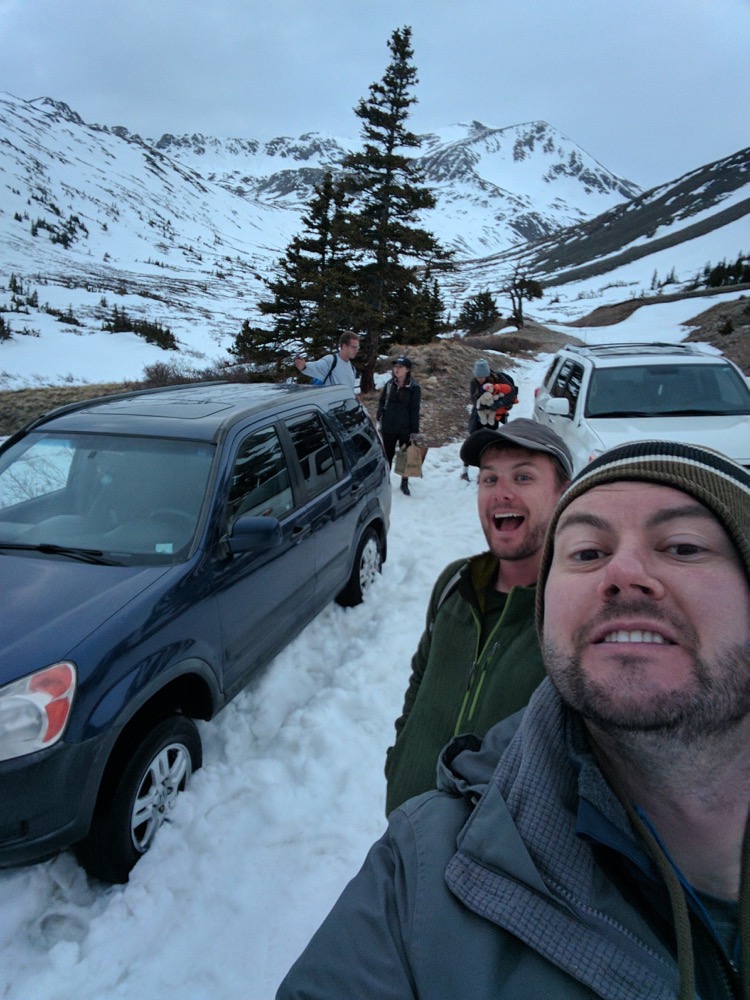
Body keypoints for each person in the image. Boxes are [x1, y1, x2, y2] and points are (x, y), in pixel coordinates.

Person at [276, 440, 750, 999]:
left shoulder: (556, 637)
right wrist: (400, 758)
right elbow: (420, 679)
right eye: (588, 553)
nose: (622, 572)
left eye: (684, 546)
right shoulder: (416, 872)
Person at [384, 418, 572, 814]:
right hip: (405, 828)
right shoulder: (455, 583)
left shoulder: (575, 617)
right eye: (489, 480)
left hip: (492, 860)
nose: (500, 493)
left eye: (522, 477)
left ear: (563, 496)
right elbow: (420, 681)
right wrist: (400, 759)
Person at [461, 358, 518, 481]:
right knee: (473, 441)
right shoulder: (473, 383)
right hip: (478, 415)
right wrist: (485, 404)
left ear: (487, 374)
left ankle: (483, 472)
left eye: (481, 377)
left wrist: (496, 405)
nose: (479, 379)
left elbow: (511, 393)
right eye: (477, 377)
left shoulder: (498, 380)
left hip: (494, 415)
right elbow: (475, 400)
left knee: (489, 443)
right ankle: (464, 471)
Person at [376, 355, 421, 496]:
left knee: (405, 456)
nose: (397, 369)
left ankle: (404, 483)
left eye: (400, 367)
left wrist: (414, 431)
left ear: (407, 369)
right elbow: (382, 402)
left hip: (405, 428)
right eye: (395, 367)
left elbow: (415, 410)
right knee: (387, 456)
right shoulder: (390, 384)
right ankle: (386, 481)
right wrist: (379, 417)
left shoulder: (414, 388)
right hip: (388, 427)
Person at [294, 332, 360, 389]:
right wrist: (303, 366)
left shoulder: (352, 368)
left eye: (357, 347)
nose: (356, 350)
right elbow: (314, 367)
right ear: (344, 346)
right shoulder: (331, 361)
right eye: (354, 347)